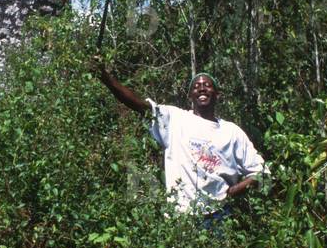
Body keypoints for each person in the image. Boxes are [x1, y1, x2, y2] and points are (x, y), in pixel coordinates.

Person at [93, 58, 266, 222]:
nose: (202, 88)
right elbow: (140, 106)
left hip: (220, 216)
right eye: (196, 86)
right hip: (181, 218)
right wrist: (105, 77)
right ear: (190, 95)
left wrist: (232, 192)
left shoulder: (232, 132)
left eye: (207, 85)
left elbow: (262, 173)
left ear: (217, 94)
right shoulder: (175, 119)